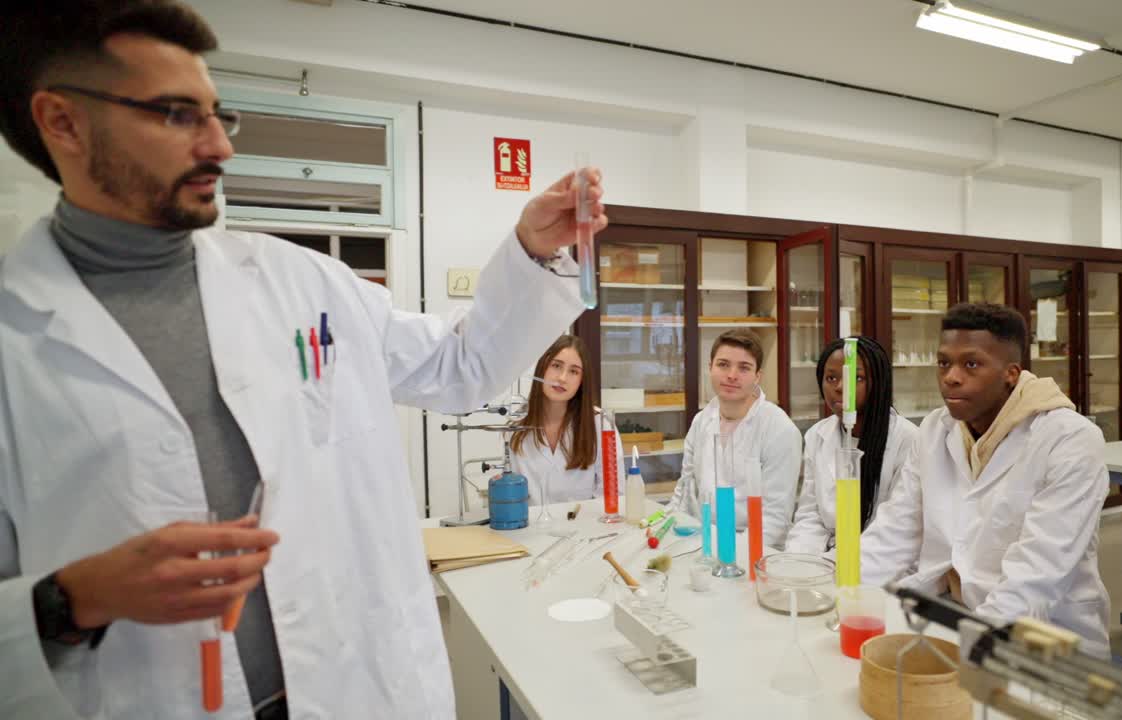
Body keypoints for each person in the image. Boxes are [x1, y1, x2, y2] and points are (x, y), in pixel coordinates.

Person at [0, 3, 605, 718]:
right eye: (176, 114)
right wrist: (71, 598)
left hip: (361, 687)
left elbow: (459, 366)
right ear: (62, 121)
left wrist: (534, 250)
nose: (219, 146)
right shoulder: (16, 343)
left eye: (219, 116)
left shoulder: (303, 283)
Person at [861, 303, 1111, 657]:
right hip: (947, 613)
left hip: (1039, 637)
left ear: (1011, 373)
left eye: (971, 364)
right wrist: (844, 591)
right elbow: (895, 530)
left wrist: (968, 645)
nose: (951, 376)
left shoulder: (1068, 438)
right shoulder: (935, 429)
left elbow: (1037, 573)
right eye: (944, 362)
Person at [668, 329, 802, 549]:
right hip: (700, 541)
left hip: (753, 550)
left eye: (744, 368)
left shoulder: (780, 429)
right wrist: (669, 530)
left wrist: (731, 554)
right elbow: (683, 493)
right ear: (710, 367)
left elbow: (774, 520)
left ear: (758, 376)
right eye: (723, 364)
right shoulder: (701, 422)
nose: (731, 375)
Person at [785, 336, 918, 556]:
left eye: (856, 378)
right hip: (828, 559)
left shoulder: (908, 439)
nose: (839, 387)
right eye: (830, 378)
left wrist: (840, 562)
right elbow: (810, 515)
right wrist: (800, 561)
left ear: (878, 382)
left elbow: (896, 529)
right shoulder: (817, 435)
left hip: (880, 562)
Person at [509, 335, 623, 505]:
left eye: (573, 371)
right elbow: (512, 496)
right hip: (530, 528)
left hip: (586, 527)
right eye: (556, 366)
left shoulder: (601, 424)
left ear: (581, 381)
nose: (562, 378)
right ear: (542, 369)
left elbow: (613, 495)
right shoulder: (516, 427)